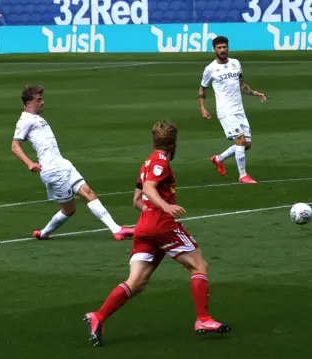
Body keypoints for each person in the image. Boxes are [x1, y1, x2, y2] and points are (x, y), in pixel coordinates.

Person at [83, 120, 231, 347]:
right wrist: (164, 207)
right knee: (199, 265)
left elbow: (136, 200)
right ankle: (203, 319)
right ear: (173, 143)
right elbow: (151, 187)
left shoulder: (145, 163)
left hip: (144, 227)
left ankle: (98, 317)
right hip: (161, 225)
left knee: (137, 281)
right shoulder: (160, 161)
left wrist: (152, 210)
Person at [11, 85, 134, 241]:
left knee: (89, 193)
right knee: (69, 210)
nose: (42, 102)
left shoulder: (36, 118)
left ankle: (116, 230)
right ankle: (44, 233)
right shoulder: (24, 121)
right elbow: (15, 146)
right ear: (29, 103)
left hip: (63, 164)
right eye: (38, 100)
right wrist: (29, 163)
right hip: (53, 170)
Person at [199, 36, 267, 184]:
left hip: (239, 109)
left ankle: (219, 159)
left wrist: (254, 92)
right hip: (225, 110)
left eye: (224, 47)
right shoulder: (210, 69)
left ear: (228, 48)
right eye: (219, 48)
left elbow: (241, 84)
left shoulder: (236, 63)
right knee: (241, 140)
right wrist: (202, 107)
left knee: (247, 144)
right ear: (214, 49)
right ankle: (243, 176)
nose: (222, 50)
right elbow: (203, 89)